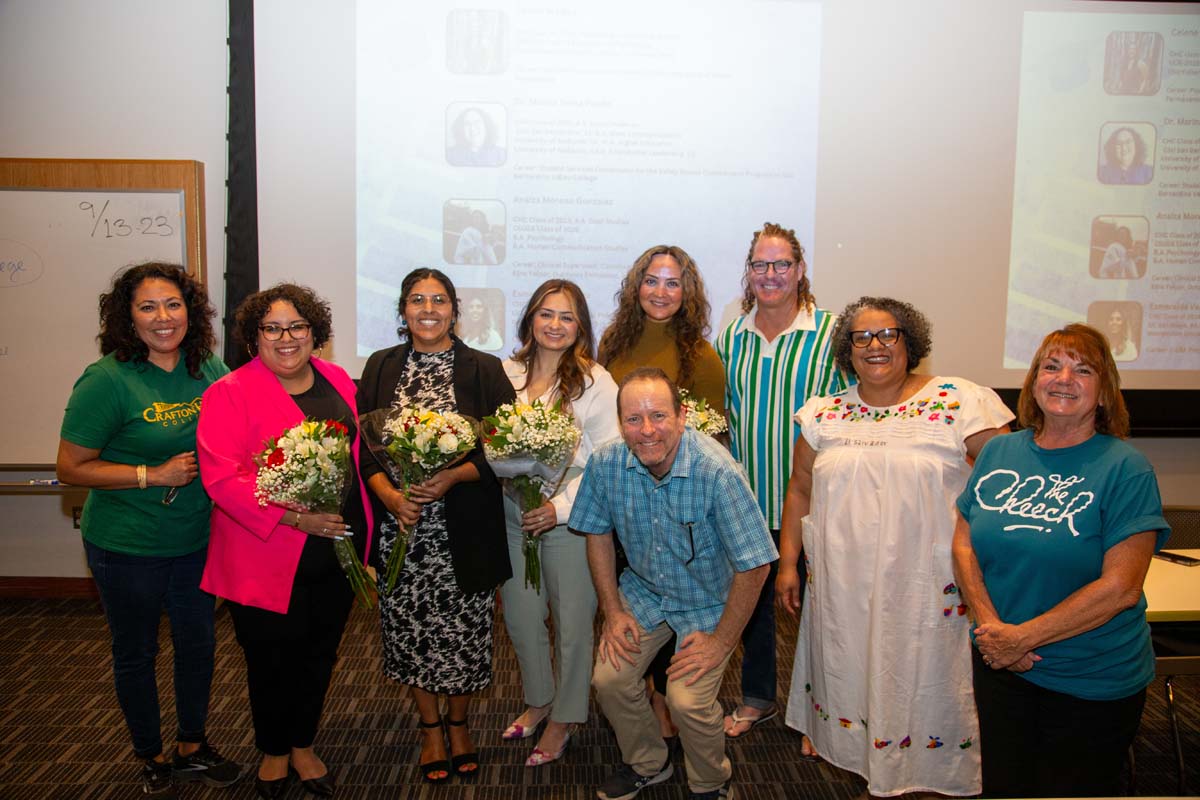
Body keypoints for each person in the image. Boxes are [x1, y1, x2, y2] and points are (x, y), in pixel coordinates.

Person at [779, 297, 1013, 797]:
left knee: (925, 677)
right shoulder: (823, 413)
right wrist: (789, 563)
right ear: (847, 350)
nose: (875, 346)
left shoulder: (959, 400)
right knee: (852, 667)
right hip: (844, 585)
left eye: (888, 334)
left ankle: (927, 775)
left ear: (911, 342)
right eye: (861, 337)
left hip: (926, 584)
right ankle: (863, 758)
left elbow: (1010, 481)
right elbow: (799, 489)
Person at [953, 323, 1170, 798]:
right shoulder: (999, 452)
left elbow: (1121, 588)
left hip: (1091, 678)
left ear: (1104, 389)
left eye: (1082, 369)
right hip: (1003, 667)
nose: (1063, 378)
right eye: (1051, 366)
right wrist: (993, 631)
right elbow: (964, 544)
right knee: (1004, 788)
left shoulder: (1126, 468)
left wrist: (1021, 638)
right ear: (1033, 381)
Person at [57, 262, 239, 799]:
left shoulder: (205, 365)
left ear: (191, 312)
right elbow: (71, 467)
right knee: (135, 651)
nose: (164, 318)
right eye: (148, 307)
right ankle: (150, 753)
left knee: (198, 645)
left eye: (174, 304)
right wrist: (149, 474)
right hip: (126, 544)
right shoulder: (106, 379)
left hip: (195, 539)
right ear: (127, 317)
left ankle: (191, 744)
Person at [197, 283, 373, 799]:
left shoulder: (338, 378)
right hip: (266, 550)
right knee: (270, 657)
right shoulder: (228, 392)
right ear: (254, 339)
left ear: (314, 333)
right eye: (272, 328)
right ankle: (274, 749)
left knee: (320, 653)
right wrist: (297, 521)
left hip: (337, 547)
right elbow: (222, 478)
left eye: (297, 326)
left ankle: (302, 742)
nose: (286, 337)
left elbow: (356, 460)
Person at [570, 367, 777, 800]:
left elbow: (755, 566)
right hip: (645, 591)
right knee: (609, 680)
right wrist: (613, 610)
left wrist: (721, 642)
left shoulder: (717, 472)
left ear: (682, 416)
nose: (647, 431)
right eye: (633, 419)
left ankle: (711, 784)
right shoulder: (606, 464)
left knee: (687, 701)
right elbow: (597, 534)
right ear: (620, 422)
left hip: (708, 602)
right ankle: (648, 763)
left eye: (658, 416)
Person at [358, 268, 515, 783]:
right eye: (417, 300)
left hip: (461, 529)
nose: (428, 308)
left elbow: (504, 453)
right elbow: (364, 451)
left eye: (439, 300)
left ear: (454, 308)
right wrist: (388, 496)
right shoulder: (380, 367)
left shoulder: (484, 369)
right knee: (409, 634)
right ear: (403, 310)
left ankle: (461, 723)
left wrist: (449, 478)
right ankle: (430, 729)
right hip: (401, 530)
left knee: (463, 635)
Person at [713, 222, 847, 740]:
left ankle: (829, 715)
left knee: (826, 614)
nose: (771, 275)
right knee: (755, 614)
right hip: (750, 503)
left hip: (816, 504)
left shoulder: (832, 334)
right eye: (760, 265)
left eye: (782, 264)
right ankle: (758, 698)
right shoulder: (732, 335)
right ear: (748, 273)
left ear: (800, 269)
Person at [597, 243, 725, 740]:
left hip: (676, 501)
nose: (661, 291)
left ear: (686, 292)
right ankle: (648, 695)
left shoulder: (702, 356)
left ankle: (670, 696)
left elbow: (710, 436)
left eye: (673, 283)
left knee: (674, 594)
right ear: (637, 286)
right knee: (631, 596)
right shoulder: (612, 343)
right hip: (622, 493)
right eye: (652, 280)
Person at [499, 280, 620, 766]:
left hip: (572, 517)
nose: (554, 325)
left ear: (580, 327)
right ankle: (539, 698)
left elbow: (606, 460)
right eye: (546, 314)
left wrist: (558, 507)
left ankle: (566, 715)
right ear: (530, 318)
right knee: (522, 618)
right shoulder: (503, 373)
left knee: (572, 623)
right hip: (512, 514)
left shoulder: (596, 381)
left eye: (566, 317)